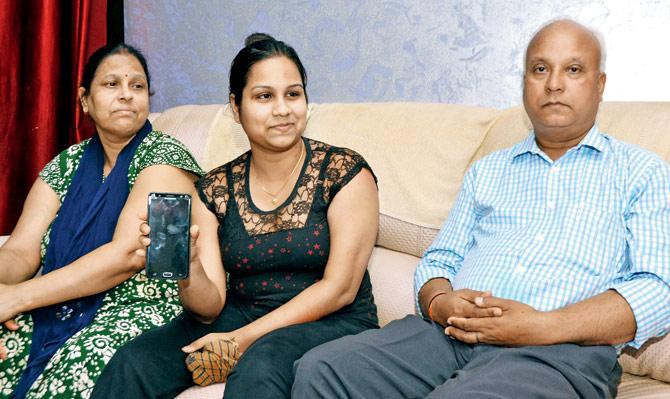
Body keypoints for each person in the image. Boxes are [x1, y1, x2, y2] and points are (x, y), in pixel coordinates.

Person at [292, 18, 670, 399]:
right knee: (321, 370)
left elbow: (657, 288)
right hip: (447, 336)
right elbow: (439, 260)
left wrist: (542, 326)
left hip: (558, 354)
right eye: (540, 69)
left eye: (573, 69)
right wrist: (441, 302)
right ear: (525, 82)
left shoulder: (641, 172)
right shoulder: (488, 171)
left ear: (599, 85)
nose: (554, 83)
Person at [91, 33, 379, 398]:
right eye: (264, 96)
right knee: (135, 361)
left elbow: (340, 289)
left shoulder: (345, 172)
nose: (282, 109)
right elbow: (209, 308)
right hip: (241, 314)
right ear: (235, 106)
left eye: (293, 94)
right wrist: (190, 265)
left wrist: (240, 340)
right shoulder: (214, 189)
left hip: (333, 321)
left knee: (259, 366)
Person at [0, 43, 203, 398]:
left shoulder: (165, 157)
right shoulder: (66, 165)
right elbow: (19, 250)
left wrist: (17, 298)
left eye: (137, 86)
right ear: (85, 100)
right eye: (112, 84)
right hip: (54, 304)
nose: (127, 95)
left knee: (77, 365)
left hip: (139, 310)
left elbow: (128, 255)